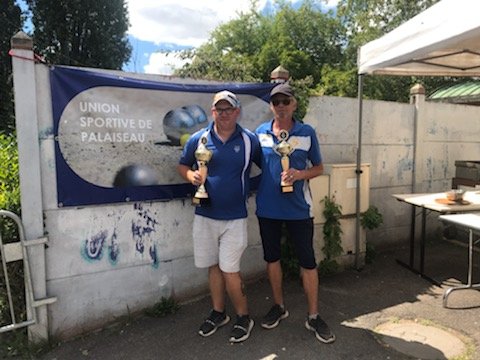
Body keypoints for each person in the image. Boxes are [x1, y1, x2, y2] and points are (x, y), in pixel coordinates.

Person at [255, 82, 335, 344]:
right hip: (268, 209)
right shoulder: (260, 133)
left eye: (285, 101)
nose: (280, 106)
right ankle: (279, 307)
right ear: (271, 106)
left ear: (294, 104)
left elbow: (320, 167)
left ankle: (313, 316)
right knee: (272, 259)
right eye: (275, 102)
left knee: (308, 262)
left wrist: (300, 174)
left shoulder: (306, 132)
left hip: (300, 209)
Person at [177, 90, 260, 343]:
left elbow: (267, 168)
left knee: (230, 270)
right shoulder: (198, 139)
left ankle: (244, 316)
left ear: (237, 111)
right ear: (213, 112)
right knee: (213, 267)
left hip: (235, 218)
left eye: (229, 109)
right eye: (219, 110)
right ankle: (219, 312)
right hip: (205, 215)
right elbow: (183, 165)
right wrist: (192, 177)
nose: (224, 114)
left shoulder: (249, 140)